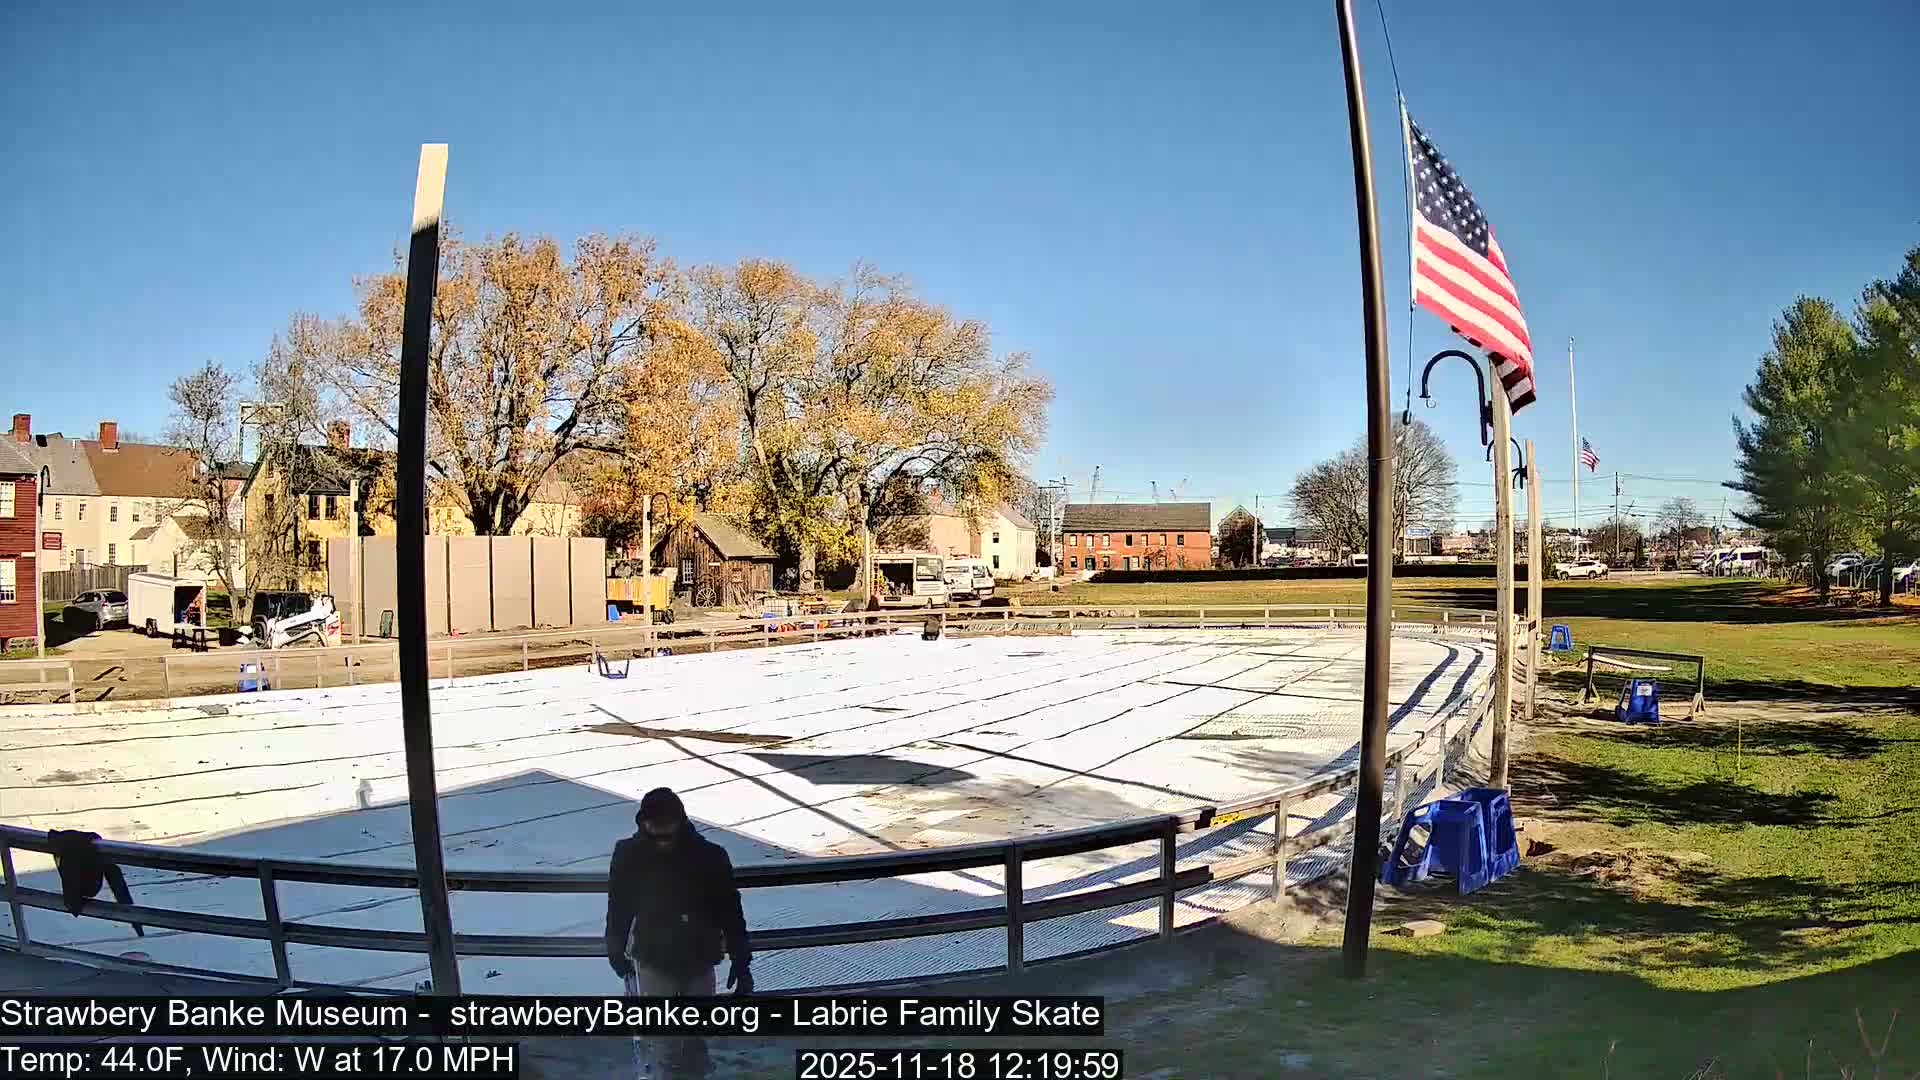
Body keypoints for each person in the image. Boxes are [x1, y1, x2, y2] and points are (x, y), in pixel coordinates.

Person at [606, 788, 752, 1079]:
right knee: (665, 1043)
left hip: (698, 957)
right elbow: (619, 906)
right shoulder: (628, 855)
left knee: (696, 1038)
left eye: (667, 827)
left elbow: (731, 912)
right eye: (654, 827)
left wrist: (741, 960)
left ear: (680, 822)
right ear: (642, 824)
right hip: (653, 957)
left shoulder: (710, 856)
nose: (661, 835)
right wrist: (615, 947)